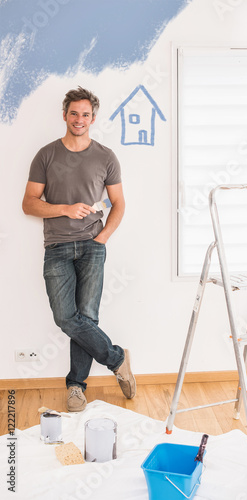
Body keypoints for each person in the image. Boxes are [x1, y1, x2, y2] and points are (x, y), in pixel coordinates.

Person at [22, 86, 136, 412]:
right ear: (64, 115)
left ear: (93, 118)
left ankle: (76, 387)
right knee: (66, 317)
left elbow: (119, 203)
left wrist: (103, 238)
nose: (79, 119)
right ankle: (117, 359)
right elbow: (29, 204)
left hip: (92, 245)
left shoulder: (105, 156)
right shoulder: (46, 155)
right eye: (74, 113)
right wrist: (64, 209)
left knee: (86, 317)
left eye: (86, 114)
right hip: (56, 247)